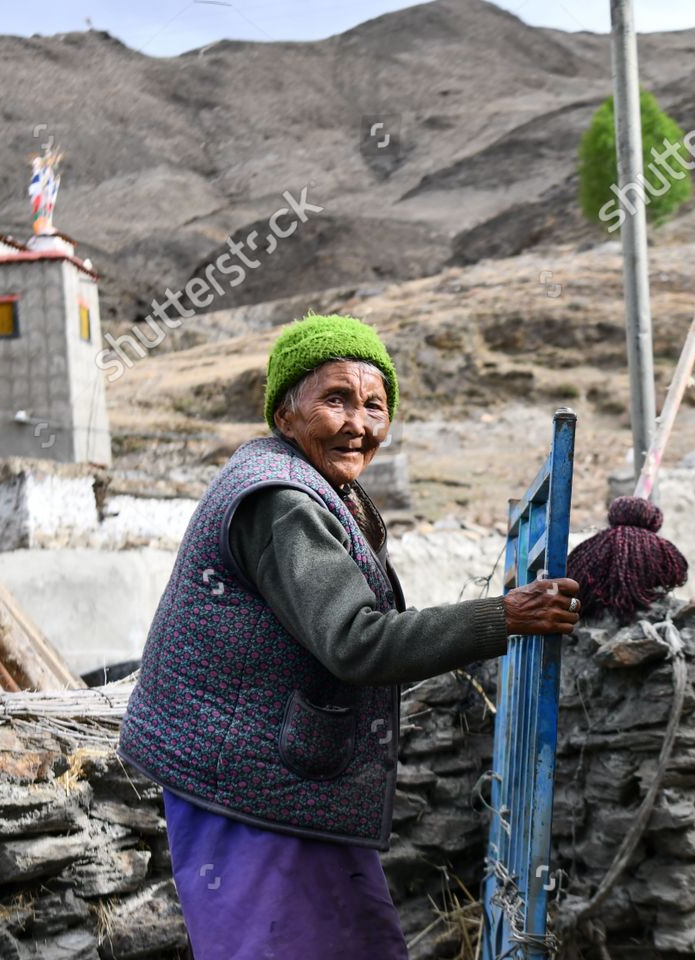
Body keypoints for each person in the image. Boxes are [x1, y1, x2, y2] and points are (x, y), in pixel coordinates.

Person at [118, 313, 579, 959]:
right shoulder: (284, 501)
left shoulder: (314, 483)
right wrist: (503, 617)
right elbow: (357, 641)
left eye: (373, 405)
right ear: (286, 413)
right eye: (335, 400)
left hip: (283, 781)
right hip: (248, 792)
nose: (358, 424)